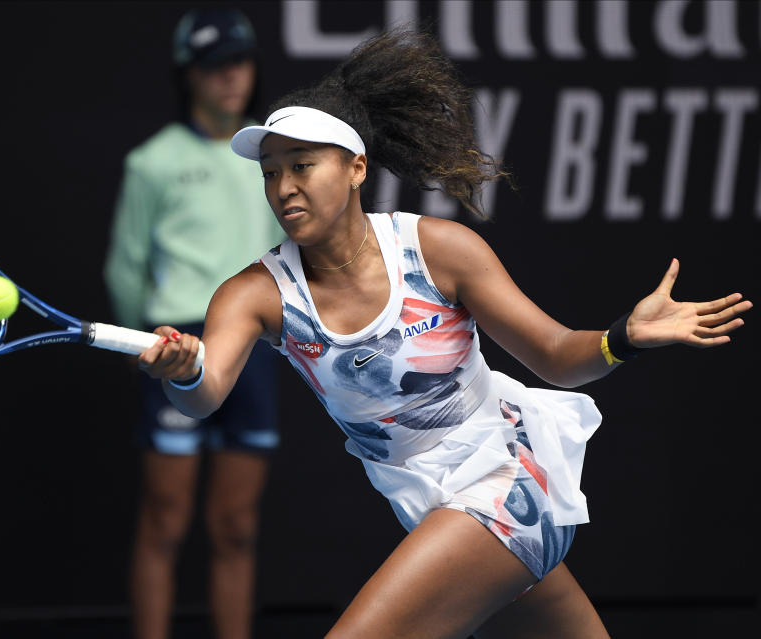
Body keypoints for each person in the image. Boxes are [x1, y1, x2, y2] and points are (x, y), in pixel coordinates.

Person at [136, 29, 752, 639]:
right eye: (270, 173)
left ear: (356, 169)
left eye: (302, 165)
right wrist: (186, 370)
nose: (283, 188)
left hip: (510, 479)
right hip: (429, 504)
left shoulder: (439, 251)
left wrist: (625, 336)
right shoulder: (254, 293)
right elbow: (204, 395)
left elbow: (560, 357)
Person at [104, 10, 286, 639]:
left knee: (236, 526)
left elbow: (284, 253)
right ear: (189, 75)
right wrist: (137, 337)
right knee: (166, 520)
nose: (231, 75)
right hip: (176, 339)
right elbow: (127, 264)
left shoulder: (273, 159)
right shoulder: (151, 161)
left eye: (240, 61)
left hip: (254, 346)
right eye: (215, 65)